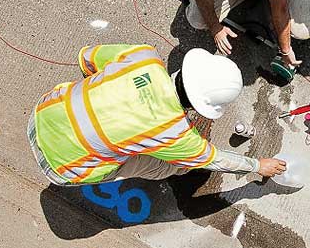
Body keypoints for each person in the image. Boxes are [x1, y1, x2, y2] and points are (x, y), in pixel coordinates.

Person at [28, 43, 285, 185]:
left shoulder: (145, 57)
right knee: (176, 165)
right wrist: (257, 166)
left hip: (42, 113)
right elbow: (211, 159)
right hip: (65, 169)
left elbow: (85, 58)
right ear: (200, 108)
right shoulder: (176, 134)